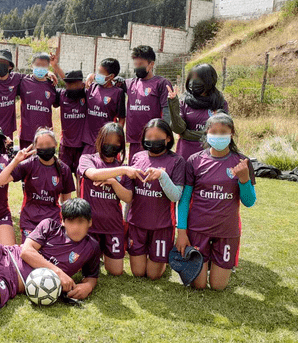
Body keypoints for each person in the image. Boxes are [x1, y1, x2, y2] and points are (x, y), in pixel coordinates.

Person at [176, 113, 256, 291]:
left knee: (218, 287)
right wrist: (181, 232)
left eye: (224, 132)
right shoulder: (194, 161)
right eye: (214, 132)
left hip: (226, 231)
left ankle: (214, 262)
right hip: (198, 229)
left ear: (232, 134)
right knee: (199, 285)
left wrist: (244, 180)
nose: (219, 136)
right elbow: (184, 199)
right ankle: (200, 261)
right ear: (206, 133)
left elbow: (249, 202)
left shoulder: (242, 162)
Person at [121, 119, 186, 280]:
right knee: (138, 273)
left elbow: (176, 196)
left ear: (168, 138)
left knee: (153, 275)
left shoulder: (177, 161)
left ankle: (162, 260)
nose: (152, 141)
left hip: (162, 226)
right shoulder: (137, 157)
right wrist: (124, 219)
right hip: (137, 224)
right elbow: (129, 195)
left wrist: (162, 176)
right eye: (148, 137)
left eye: (157, 137)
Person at [77, 123, 138, 276]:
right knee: (86, 269)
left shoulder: (121, 167)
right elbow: (94, 175)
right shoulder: (87, 159)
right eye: (107, 142)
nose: (111, 146)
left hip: (113, 225)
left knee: (116, 271)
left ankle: (104, 253)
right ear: (99, 141)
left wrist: (113, 182)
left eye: (116, 143)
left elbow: (128, 197)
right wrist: (123, 170)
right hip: (89, 226)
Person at [0, 127, 75, 242]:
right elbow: (0, 181)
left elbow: (66, 202)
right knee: (30, 253)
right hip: (30, 220)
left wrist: (65, 224)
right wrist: (16, 160)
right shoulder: (28, 165)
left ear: (55, 144)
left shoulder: (64, 169)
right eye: (41, 145)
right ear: (35, 148)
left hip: (52, 220)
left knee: (51, 253)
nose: (45, 148)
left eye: (48, 144)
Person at [52, 56, 126, 155]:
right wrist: (55, 66)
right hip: (88, 142)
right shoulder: (91, 87)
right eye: (97, 72)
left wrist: (116, 138)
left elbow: (121, 119)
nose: (97, 75)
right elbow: (71, 82)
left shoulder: (118, 93)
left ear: (111, 76)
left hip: (105, 142)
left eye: (101, 73)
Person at [168, 63, 229, 160]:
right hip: (186, 154)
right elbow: (179, 129)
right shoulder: (184, 101)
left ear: (209, 80)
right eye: (192, 79)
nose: (194, 82)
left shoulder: (219, 103)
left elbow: (221, 132)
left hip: (211, 155)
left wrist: (187, 134)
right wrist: (173, 103)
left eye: (198, 79)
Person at [124, 46, 172, 164]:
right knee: (134, 173)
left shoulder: (161, 83)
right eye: (136, 64)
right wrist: (92, 77)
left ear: (151, 64)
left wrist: (162, 135)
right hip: (134, 140)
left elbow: (167, 111)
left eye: (141, 64)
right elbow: (112, 81)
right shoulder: (129, 83)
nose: (137, 68)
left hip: (153, 140)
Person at [18, 53, 58, 149]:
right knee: (25, 162)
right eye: (38, 65)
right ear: (32, 65)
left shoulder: (52, 85)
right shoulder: (23, 80)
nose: (40, 68)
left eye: (44, 66)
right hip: (26, 134)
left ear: (48, 67)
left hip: (45, 136)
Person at [54, 70, 87, 186]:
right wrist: (52, 71)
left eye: (74, 83)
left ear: (82, 84)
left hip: (82, 146)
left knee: (80, 177)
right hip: (66, 146)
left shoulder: (87, 96)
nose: (70, 86)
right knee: (63, 176)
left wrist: (92, 77)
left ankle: (80, 202)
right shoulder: (61, 95)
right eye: (68, 84)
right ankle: (64, 203)